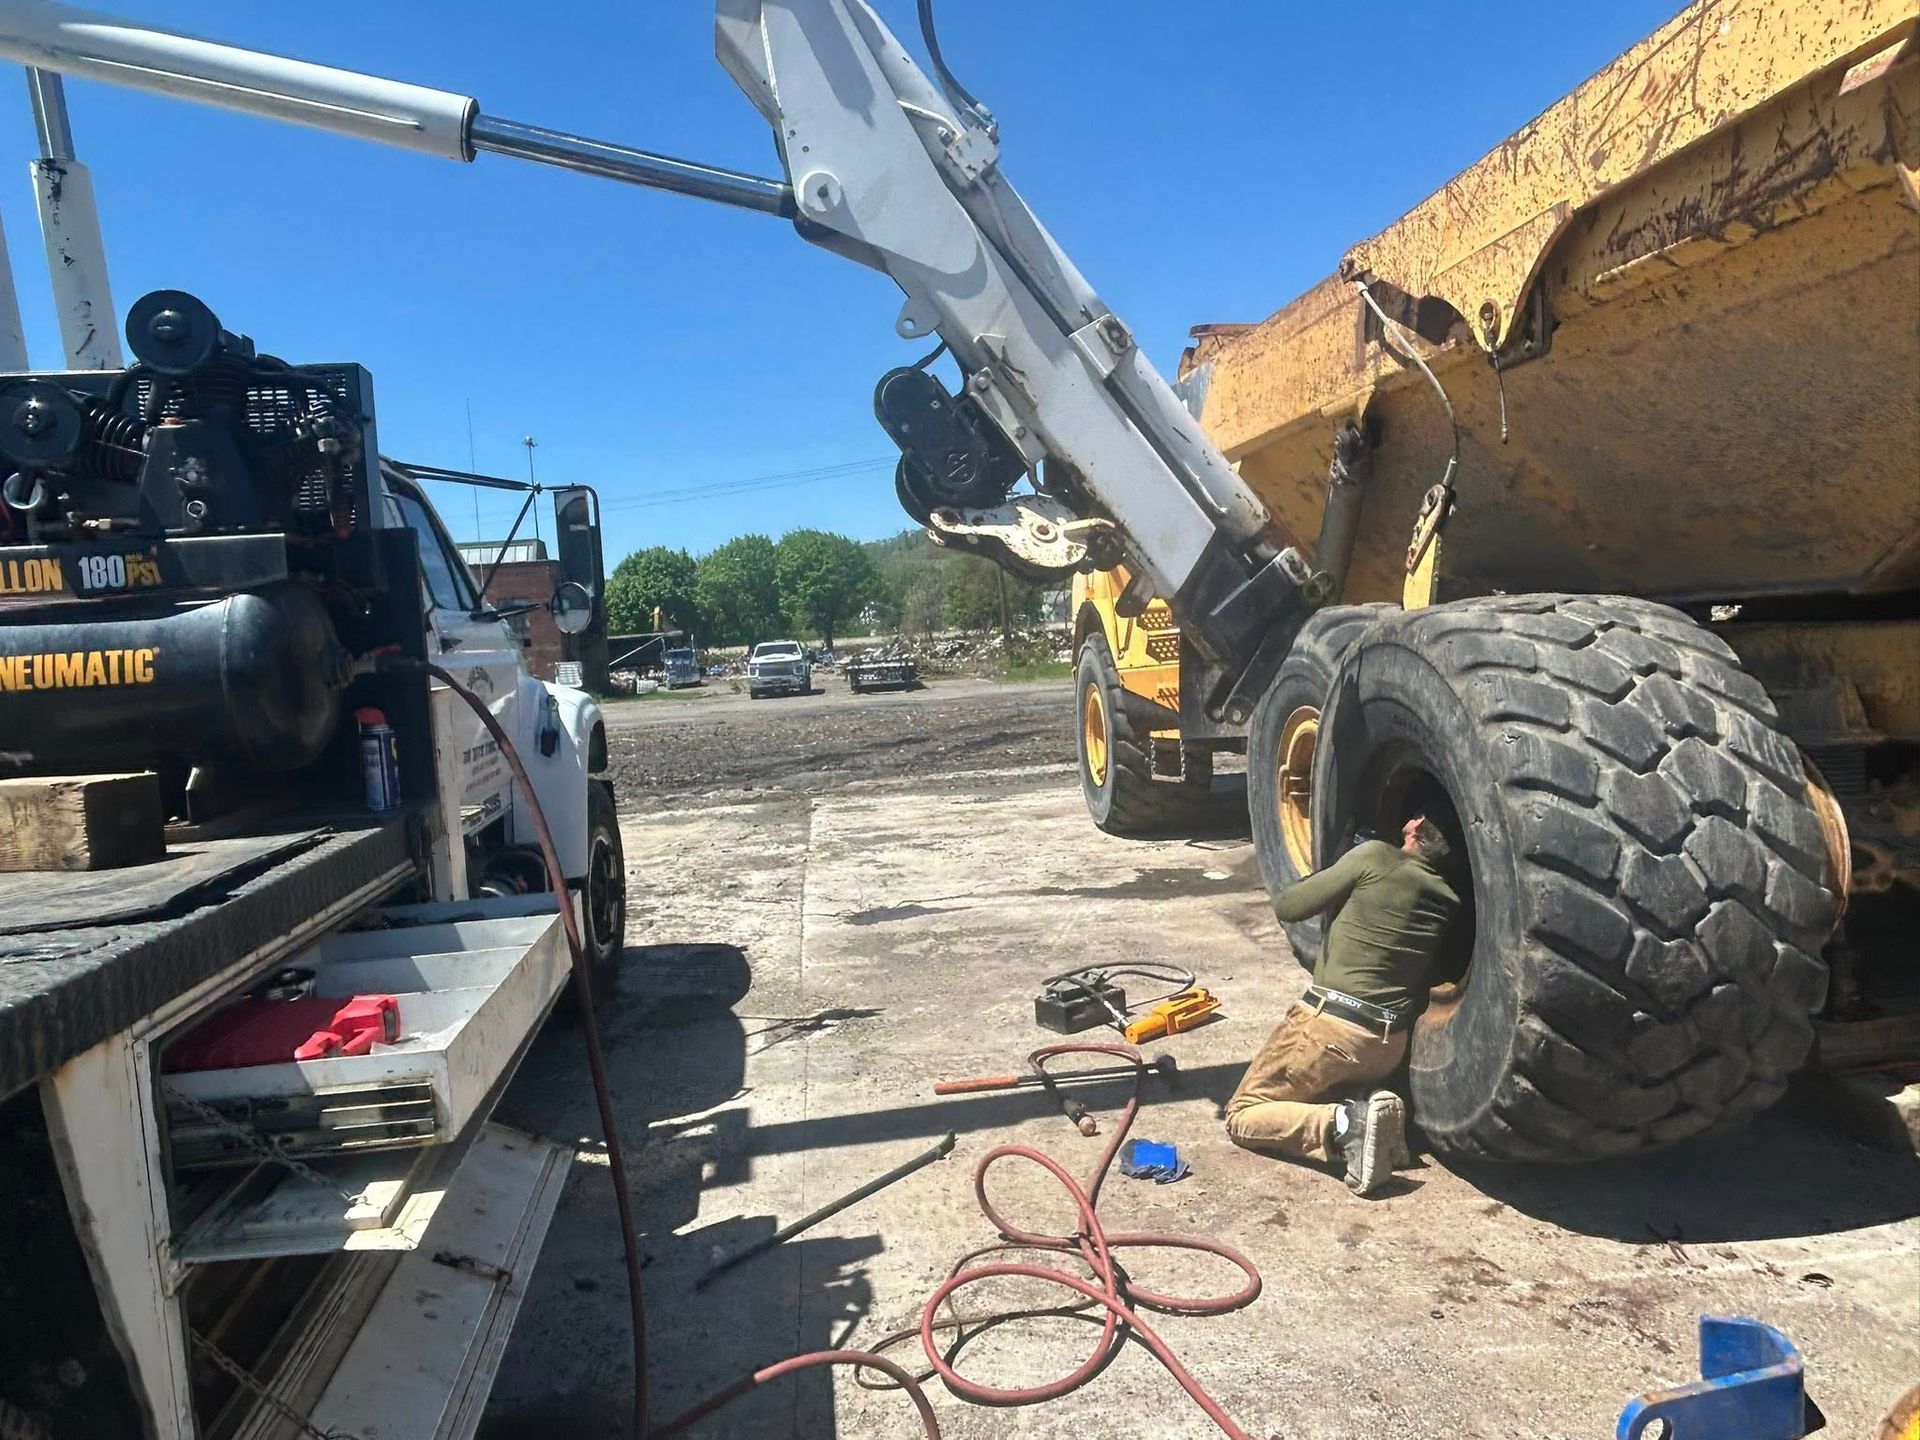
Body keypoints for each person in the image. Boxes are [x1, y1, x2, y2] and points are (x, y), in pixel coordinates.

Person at [1225, 813, 1460, 1195]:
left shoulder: (1374, 857)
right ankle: (1373, 1115)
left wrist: (1338, 873)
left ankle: (1346, 1124)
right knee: (1316, 1090)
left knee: (1243, 1115)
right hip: (1387, 1046)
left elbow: (1290, 906)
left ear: (1415, 827)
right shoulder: (1446, 899)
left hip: (1331, 1029)